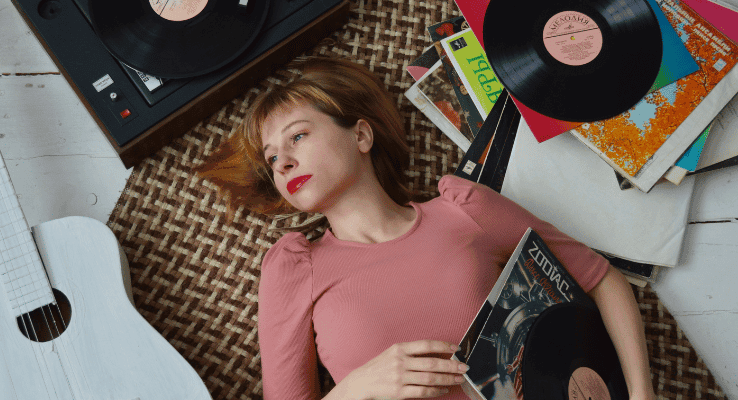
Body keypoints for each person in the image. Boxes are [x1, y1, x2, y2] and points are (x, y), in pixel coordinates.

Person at [195, 57, 656, 400]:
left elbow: (600, 278)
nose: (284, 162)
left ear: (361, 135)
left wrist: (641, 394)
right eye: (273, 158)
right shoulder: (294, 269)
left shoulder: (464, 209)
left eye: (298, 136)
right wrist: (357, 388)